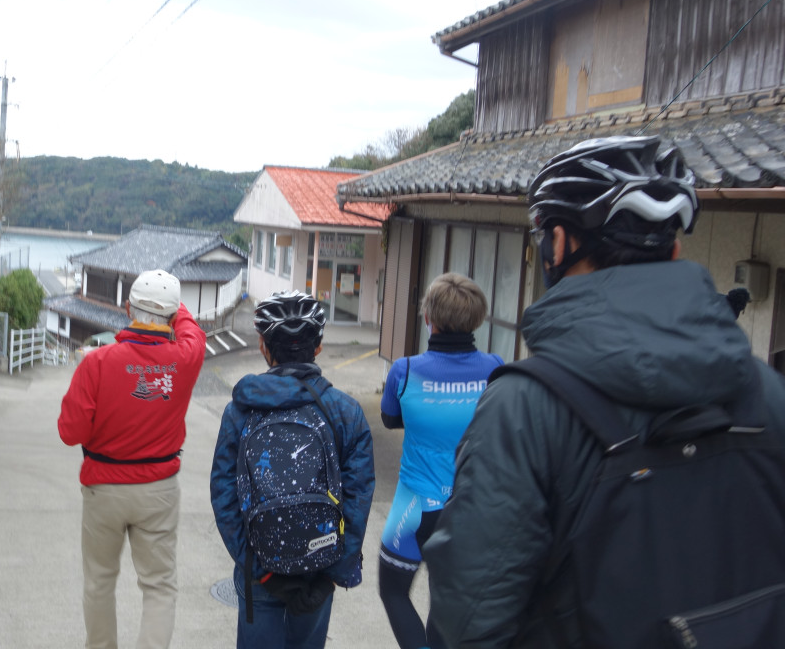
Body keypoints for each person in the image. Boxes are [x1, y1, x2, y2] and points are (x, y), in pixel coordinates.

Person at [423, 135, 785, 647]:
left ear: (558, 244)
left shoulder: (525, 409)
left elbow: (469, 624)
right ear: (675, 249)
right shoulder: (769, 393)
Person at [210, 290, 375, 649]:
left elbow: (223, 493)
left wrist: (255, 565)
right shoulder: (345, 412)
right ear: (318, 347)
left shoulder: (241, 411)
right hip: (319, 566)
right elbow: (358, 498)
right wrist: (332, 572)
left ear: (263, 346)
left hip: (259, 568)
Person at [58, 269, 206, 649]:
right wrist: (177, 309)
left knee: (99, 581)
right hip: (158, 490)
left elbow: (69, 432)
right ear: (173, 319)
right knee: (159, 586)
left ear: (128, 309)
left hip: (103, 488)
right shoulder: (185, 358)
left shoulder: (97, 363)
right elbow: (194, 334)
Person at [377, 273, 502, 649]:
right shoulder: (495, 367)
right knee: (449, 604)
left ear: (428, 316)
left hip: (415, 508)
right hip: (473, 510)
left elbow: (390, 418)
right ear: (477, 318)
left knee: (394, 592)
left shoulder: (406, 370)